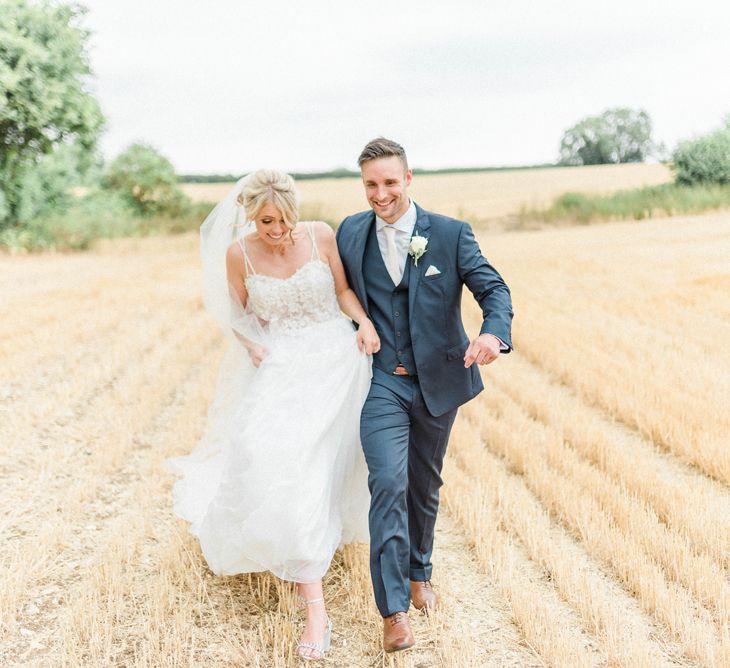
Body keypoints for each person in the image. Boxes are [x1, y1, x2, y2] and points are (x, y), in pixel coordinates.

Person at [166, 169, 379, 661]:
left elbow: (343, 293)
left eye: (284, 220)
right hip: (280, 366)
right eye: (266, 221)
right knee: (268, 455)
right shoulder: (237, 254)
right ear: (249, 215)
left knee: (313, 470)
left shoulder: (320, 235)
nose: (277, 231)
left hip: (334, 362)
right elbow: (236, 315)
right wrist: (253, 346)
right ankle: (303, 566)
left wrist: (363, 322)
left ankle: (315, 611)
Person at [336, 138, 513, 653]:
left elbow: (493, 290)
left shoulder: (451, 234)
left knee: (423, 483)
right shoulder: (350, 231)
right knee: (387, 482)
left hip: (439, 378)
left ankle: (420, 573)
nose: (380, 193)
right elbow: (339, 290)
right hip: (381, 381)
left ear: (408, 179)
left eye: (390, 182)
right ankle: (393, 611)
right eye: (370, 184)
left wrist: (490, 334)